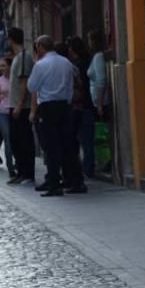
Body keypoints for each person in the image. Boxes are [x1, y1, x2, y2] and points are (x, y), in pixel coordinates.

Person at [28, 35, 84, 196]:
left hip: (47, 107)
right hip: (66, 106)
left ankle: (54, 183)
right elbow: (76, 77)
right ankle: (76, 181)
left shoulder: (40, 64)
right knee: (68, 145)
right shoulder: (66, 62)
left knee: (51, 147)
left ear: (40, 47)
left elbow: (32, 86)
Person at [7, 27, 35, 185]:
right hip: (15, 105)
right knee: (15, 140)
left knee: (24, 140)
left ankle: (27, 172)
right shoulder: (17, 57)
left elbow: (24, 83)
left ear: (11, 39)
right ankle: (21, 171)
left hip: (21, 107)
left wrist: (19, 105)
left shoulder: (24, 57)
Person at [68, 36, 96, 179]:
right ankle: (89, 168)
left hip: (78, 105)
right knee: (88, 140)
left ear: (72, 50)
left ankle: (84, 169)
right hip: (89, 104)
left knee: (79, 140)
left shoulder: (75, 66)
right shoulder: (90, 60)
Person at [0, 57, 17, 180]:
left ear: (10, 66)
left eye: (4, 65)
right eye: (0, 66)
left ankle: (19, 164)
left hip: (15, 111)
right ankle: (11, 168)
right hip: (3, 113)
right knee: (7, 139)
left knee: (16, 139)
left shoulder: (16, 79)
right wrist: (0, 97)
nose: (1, 68)